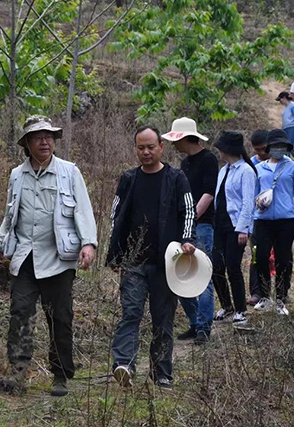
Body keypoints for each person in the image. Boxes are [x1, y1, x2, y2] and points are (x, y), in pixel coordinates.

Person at [0, 115, 98, 397]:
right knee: (20, 313)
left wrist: (88, 244)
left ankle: (60, 374)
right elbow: (10, 216)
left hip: (59, 258)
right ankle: (18, 373)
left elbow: (83, 211)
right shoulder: (16, 175)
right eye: (37, 137)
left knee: (60, 317)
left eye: (48, 136)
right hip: (25, 257)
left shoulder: (69, 172)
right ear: (27, 144)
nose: (45, 141)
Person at [107, 126, 197, 390]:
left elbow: (188, 211)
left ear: (161, 146)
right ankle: (123, 364)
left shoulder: (176, 178)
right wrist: (117, 253)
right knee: (131, 312)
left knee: (163, 318)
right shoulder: (128, 178)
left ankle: (162, 372)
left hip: (166, 262)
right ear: (135, 148)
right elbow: (116, 215)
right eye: (140, 147)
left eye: (150, 147)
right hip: (134, 261)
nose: (145, 152)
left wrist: (188, 240)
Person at [161, 117, 217, 344]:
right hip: (184, 226)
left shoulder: (209, 160)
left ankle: (204, 326)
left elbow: (208, 193)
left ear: (186, 138)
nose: (175, 145)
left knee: (203, 276)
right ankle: (195, 322)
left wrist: (192, 219)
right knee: (179, 276)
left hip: (202, 225)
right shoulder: (184, 164)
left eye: (177, 140)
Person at [253, 129, 294, 316]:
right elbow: (254, 194)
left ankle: (281, 298)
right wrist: (250, 218)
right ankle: (264, 296)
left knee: (284, 259)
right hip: (262, 220)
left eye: (282, 146)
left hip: (286, 220)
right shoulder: (259, 168)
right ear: (269, 147)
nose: (278, 149)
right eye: (275, 146)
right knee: (260, 257)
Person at [209, 131, 256, 323]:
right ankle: (226, 305)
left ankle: (240, 309)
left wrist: (243, 228)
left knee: (232, 267)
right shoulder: (224, 170)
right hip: (219, 225)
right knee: (216, 267)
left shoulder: (246, 171)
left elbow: (247, 202)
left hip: (235, 226)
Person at [247, 130, 271, 306]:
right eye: (257, 150)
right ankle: (257, 292)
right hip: (256, 218)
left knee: (279, 256)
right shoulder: (250, 165)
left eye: (264, 149)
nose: (261, 154)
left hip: (277, 218)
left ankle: (281, 291)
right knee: (256, 255)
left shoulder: (283, 163)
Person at [275, 91, 294, 159]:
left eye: (280, 99)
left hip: (292, 127)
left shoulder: (292, 105)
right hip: (286, 128)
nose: (280, 102)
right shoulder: (286, 107)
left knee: (288, 144)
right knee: (287, 145)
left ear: (284, 98)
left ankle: (293, 159)